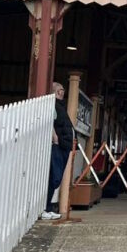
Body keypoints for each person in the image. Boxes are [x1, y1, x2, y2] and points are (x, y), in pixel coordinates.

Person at [41, 82, 74, 220]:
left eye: (63, 89)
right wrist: (55, 138)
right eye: (60, 89)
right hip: (58, 145)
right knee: (54, 177)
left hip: (64, 146)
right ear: (54, 91)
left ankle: (48, 208)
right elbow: (50, 121)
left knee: (56, 177)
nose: (62, 92)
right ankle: (45, 207)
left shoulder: (61, 106)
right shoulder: (52, 104)